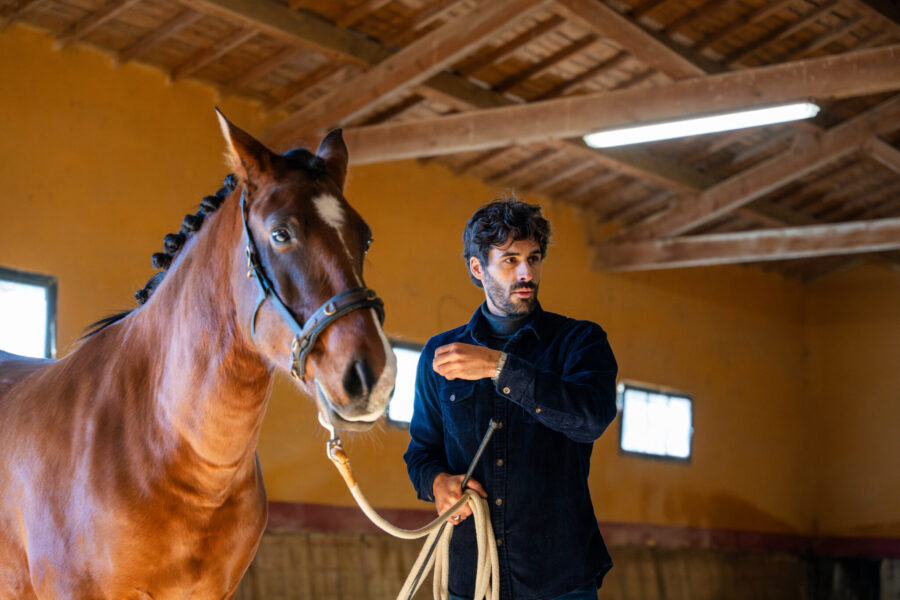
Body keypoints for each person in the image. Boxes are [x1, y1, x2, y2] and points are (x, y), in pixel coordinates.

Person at [404, 197, 619, 600]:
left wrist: (500, 368)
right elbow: (421, 451)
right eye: (510, 260)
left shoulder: (580, 341)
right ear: (477, 268)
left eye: (534, 258)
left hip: (558, 580)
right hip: (471, 578)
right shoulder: (441, 353)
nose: (527, 273)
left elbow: (591, 419)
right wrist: (437, 483)